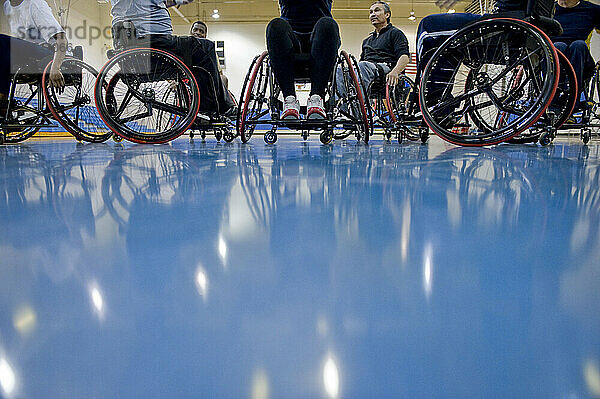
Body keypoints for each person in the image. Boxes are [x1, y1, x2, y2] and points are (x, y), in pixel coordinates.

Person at [109, 0, 235, 115]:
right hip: (154, 42)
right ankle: (211, 107)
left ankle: (218, 105)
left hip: (132, 46)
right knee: (206, 46)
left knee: (197, 54)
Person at [266, 0, 341, 120]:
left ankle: (317, 97)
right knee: (275, 25)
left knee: (328, 23)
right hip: (290, 39)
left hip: (321, 37)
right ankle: (289, 99)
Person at [0, 0, 66, 116]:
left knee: (1, 40)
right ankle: (6, 106)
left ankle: (3, 102)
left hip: (47, 52)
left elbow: (61, 39)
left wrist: (56, 67)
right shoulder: (7, 6)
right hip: (25, 54)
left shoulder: (35, 3)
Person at [336, 1, 410, 100]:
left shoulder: (395, 33)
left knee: (363, 65)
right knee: (340, 70)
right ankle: (343, 111)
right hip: (367, 68)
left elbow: (404, 57)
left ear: (387, 15)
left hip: (387, 68)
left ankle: (360, 110)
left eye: (377, 10)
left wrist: (395, 72)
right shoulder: (367, 41)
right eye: (371, 12)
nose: (373, 14)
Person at [551, 0, 600, 110]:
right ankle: (554, 103)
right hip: (553, 59)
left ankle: (572, 103)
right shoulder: (549, 10)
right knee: (559, 47)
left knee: (579, 45)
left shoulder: (593, 10)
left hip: (581, 60)